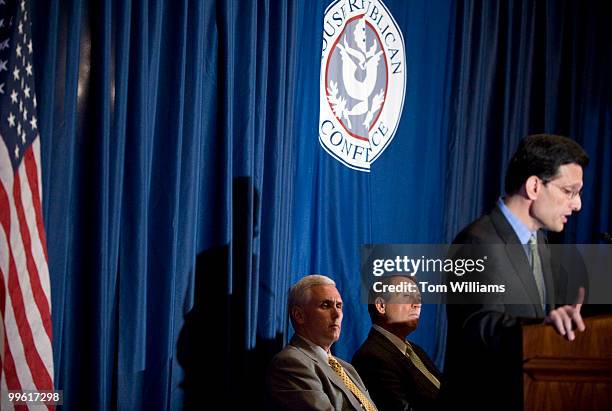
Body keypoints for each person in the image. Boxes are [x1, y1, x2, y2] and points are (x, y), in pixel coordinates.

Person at [443, 134, 589, 410]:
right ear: (534, 186)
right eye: (569, 191)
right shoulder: (476, 242)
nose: (577, 204)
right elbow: (478, 328)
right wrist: (540, 327)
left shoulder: (541, 243)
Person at [267, 275, 377, 410]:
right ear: (299, 315)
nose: (337, 314)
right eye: (326, 305)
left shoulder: (348, 368)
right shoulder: (291, 363)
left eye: (339, 306)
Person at [352, 275, 441, 411]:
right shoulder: (371, 357)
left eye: (418, 299)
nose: (417, 305)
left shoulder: (416, 350)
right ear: (381, 306)